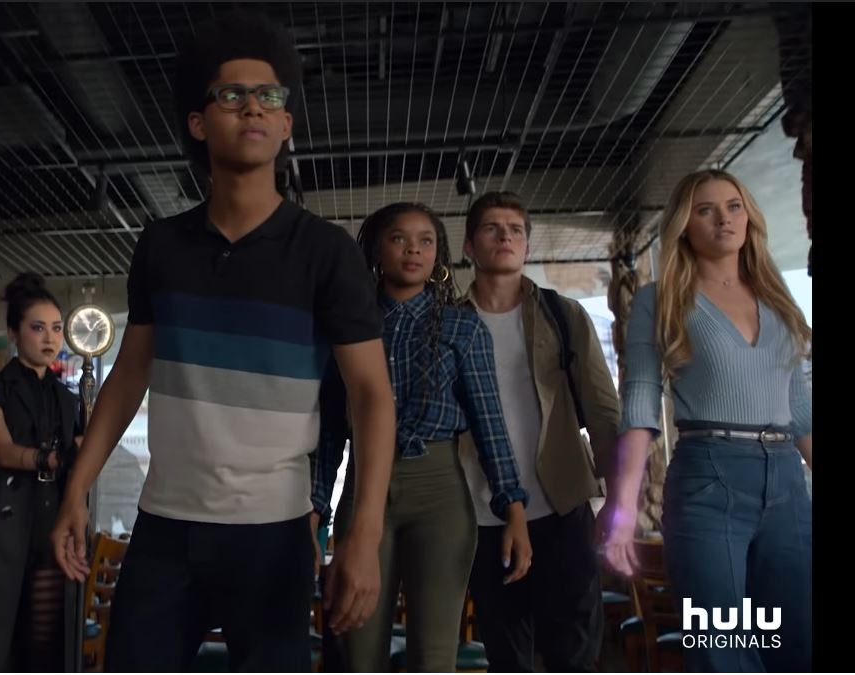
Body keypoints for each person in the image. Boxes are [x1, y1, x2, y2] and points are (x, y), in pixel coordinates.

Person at [50, 10, 396, 672]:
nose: (252, 107)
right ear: (198, 122)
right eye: (231, 94)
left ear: (287, 123)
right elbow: (129, 375)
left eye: (269, 95)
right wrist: (77, 487)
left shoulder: (325, 253)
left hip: (274, 530)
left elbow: (372, 396)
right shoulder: (161, 245)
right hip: (165, 523)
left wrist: (364, 533)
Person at [603, 169, 812, 672]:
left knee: (798, 648)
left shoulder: (777, 296)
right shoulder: (661, 298)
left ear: (749, 217)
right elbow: (640, 403)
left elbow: (802, 408)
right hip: (708, 480)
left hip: (787, 480)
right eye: (706, 210)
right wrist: (623, 510)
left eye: (734, 206)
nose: (724, 219)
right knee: (722, 650)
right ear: (684, 226)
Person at [314, 202, 531, 672]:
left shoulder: (463, 327)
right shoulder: (349, 326)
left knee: (433, 658)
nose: (413, 249)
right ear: (377, 250)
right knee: (356, 650)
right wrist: (317, 513)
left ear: (439, 254)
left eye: (426, 241)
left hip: (440, 497)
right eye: (399, 238)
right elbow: (330, 427)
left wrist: (513, 509)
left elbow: (490, 424)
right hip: (363, 491)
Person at [457, 191, 621, 672]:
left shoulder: (562, 314)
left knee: (574, 652)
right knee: (507, 655)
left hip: (562, 506)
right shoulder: (450, 324)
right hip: (483, 513)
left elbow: (602, 408)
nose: (505, 237)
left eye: (515, 230)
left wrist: (618, 495)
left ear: (527, 246)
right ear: (469, 246)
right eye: (492, 228)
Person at [0, 272, 84, 672]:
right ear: (13, 333)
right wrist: (52, 459)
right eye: (37, 328)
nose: (50, 338)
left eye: (57, 328)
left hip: (51, 520)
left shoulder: (68, 399)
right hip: (1, 522)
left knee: (45, 643)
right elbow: (3, 451)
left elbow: (80, 460)